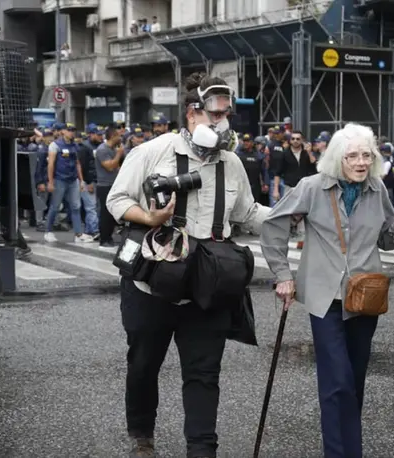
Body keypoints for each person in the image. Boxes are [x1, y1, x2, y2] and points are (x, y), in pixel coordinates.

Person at [106, 72, 269, 458]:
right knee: (144, 364)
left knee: (203, 373)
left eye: (226, 115)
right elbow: (117, 201)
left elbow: (247, 212)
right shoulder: (152, 151)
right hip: (152, 285)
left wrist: (294, 213)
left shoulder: (232, 163)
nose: (221, 123)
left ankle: (202, 448)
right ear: (191, 113)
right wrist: (151, 219)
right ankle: (142, 436)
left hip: (206, 286)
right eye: (213, 115)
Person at [260, 123, 394, 457]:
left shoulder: (376, 189)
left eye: (367, 155)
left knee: (354, 380)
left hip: (365, 295)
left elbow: (387, 239)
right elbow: (273, 223)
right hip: (325, 297)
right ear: (338, 158)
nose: (361, 162)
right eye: (353, 156)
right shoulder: (312, 187)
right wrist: (282, 274)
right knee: (336, 381)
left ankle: (347, 447)